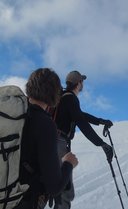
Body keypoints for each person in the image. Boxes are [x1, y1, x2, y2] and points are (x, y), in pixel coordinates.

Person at [16, 68, 79, 209]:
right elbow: (54, 187)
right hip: (23, 202)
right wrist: (68, 164)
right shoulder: (45, 123)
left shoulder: (14, 115)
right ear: (54, 94)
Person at [53, 70, 113, 209]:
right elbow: (81, 121)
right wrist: (101, 143)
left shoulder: (63, 98)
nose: (83, 84)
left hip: (54, 142)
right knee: (65, 193)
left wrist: (100, 121)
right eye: (82, 81)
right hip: (59, 144)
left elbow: (80, 115)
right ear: (78, 83)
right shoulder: (70, 98)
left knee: (58, 190)